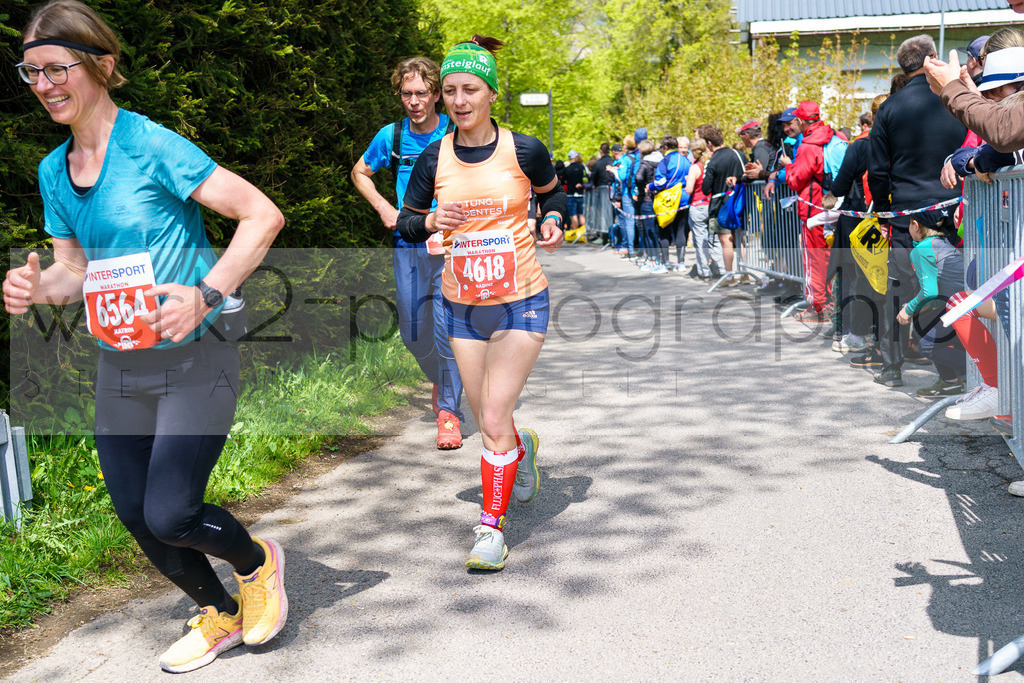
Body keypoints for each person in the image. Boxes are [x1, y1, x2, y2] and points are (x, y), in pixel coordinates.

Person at [4, 0, 286, 672]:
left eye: (56, 69)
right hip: (121, 359)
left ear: (102, 65)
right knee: (135, 511)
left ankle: (257, 561)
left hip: (197, 353)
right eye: (31, 72)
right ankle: (218, 612)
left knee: (171, 512)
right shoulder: (53, 171)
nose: (43, 85)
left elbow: (261, 214)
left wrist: (206, 294)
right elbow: (74, 269)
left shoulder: (152, 144)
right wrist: (36, 288)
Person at [395, 35, 568, 570]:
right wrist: (427, 221)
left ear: (491, 93)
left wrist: (553, 219)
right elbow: (405, 219)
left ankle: (490, 529)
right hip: (462, 306)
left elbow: (553, 192)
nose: (459, 100)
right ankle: (521, 449)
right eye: (450, 91)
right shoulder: (434, 156)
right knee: (488, 416)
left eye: (470, 89)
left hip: (522, 300)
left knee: (492, 413)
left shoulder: (525, 150)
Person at [351, 57, 465, 450]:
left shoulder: (456, 131)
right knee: (414, 331)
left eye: (421, 93)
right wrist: (385, 208)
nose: (414, 101)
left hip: (452, 244)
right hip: (409, 242)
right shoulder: (392, 137)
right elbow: (359, 173)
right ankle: (439, 379)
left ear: (436, 95)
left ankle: (450, 412)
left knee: (448, 330)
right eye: (406, 94)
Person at [867, 34, 967, 388]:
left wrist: (881, 211)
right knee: (954, 287)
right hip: (954, 209)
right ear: (932, 59)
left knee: (899, 290)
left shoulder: (889, 109)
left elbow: (877, 169)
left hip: (906, 215)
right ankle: (953, 370)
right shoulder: (953, 98)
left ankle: (892, 367)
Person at [895, 206, 965, 398]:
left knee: (928, 346)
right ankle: (950, 383)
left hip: (963, 307)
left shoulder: (923, 249)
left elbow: (930, 291)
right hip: (961, 304)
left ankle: (978, 369)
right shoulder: (941, 242)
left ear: (915, 226)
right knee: (924, 328)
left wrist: (908, 310)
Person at [780, 100, 840, 322]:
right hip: (832, 207)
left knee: (814, 261)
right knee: (829, 259)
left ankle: (819, 308)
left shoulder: (808, 146)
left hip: (812, 210)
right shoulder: (833, 137)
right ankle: (832, 305)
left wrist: (788, 165)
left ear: (801, 120)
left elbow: (796, 181)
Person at [700, 124, 745, 285]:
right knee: (739, 238)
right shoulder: (739, 154)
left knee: (726, 240)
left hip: (721, 207)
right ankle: (745, 274)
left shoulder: (712, 161)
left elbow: (705, 189)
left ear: (709, 143)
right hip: (740, 202)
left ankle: (729, 276)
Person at [648, 134, 690, 272]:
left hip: (668, 200)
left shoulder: (665, 161)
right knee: (681, 230)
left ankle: (665, 264)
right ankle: (681, 263)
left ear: (664, 147)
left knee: (664, 230)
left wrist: (650, 186)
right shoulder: (685, 160)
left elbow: (661, 182)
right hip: (683, 198)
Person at [563, 150, 588, 232]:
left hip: (571, 194)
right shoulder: (582, 167)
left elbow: (564, 181)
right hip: (580, 194)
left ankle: (575, 232)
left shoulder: (567, 169)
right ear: (576, 157)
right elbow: (585, 179)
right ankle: (583, 233)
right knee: (581, 214)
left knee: (573, 214)